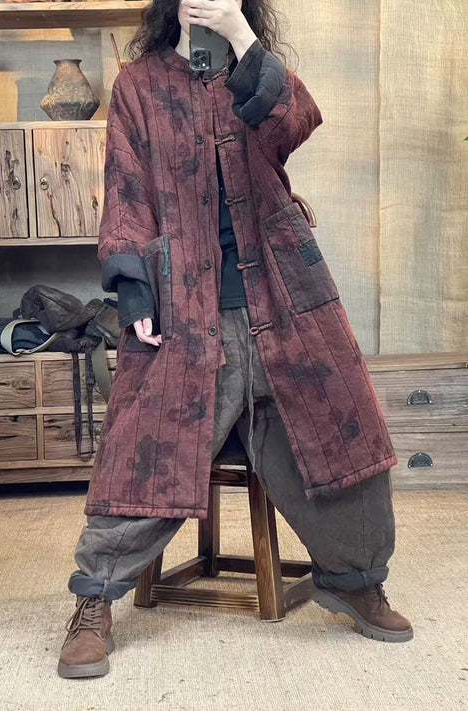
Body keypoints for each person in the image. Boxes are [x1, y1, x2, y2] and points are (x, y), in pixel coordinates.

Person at [57, 0, 413, 679]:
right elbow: (126, 190)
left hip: (285, 296)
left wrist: (239, 36)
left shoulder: (256, 71)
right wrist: (133, 292)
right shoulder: (138, 84)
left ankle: (356, 579)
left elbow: (294, 123)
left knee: (341, 424)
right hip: (183, 308)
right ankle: (94, 598)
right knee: (144, 444)